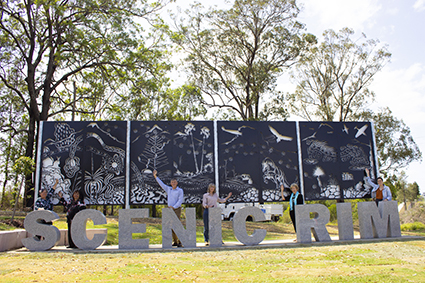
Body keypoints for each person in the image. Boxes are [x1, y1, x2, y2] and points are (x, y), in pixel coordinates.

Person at [153, 170, 184, 247]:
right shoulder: (168, 189)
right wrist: (155, 176)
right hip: (169, 210)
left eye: (175, 182)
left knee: (177, 225)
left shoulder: (180, 190)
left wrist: (174, 207)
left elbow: (180, 200)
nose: (173, 183)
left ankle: (181, 241)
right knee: (171, 225)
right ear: (171, 183)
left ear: (177, 183)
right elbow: (161, 184)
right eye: (172, 182)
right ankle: (175, 241)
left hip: (176, 209)